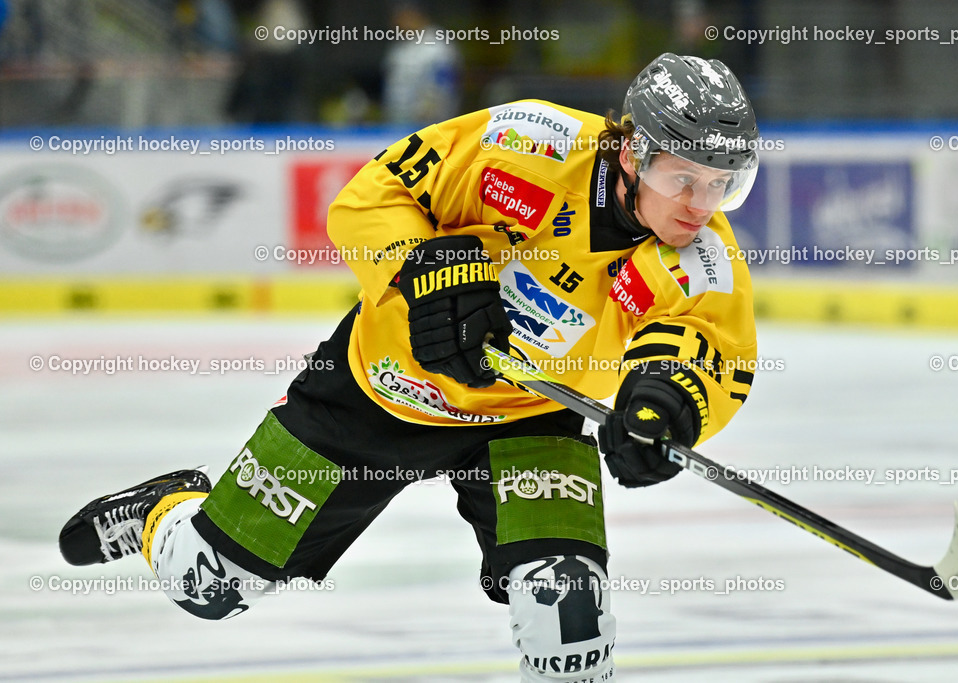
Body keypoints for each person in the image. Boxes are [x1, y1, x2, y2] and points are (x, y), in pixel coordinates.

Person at [59, 53, 760, 681]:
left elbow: (707, 344)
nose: (701, 206)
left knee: (570, 631)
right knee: (206, 585)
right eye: (684, 179)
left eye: (724, 185)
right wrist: (427, 265)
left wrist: (666, 404)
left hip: (529, 416)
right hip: (377, 392)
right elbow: (371, 196)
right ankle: (163, 507)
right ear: (634, 151)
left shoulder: (697, 251)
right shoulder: (525, 145)